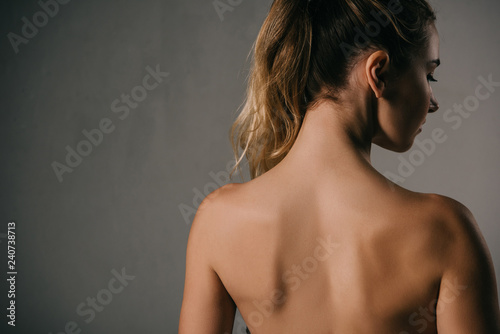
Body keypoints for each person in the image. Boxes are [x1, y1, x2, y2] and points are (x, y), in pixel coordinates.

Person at [179, 0, 500, 333]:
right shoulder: (447, 230)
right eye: (429, 74)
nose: (434, 102)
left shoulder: (217, 220)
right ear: (379, 72)